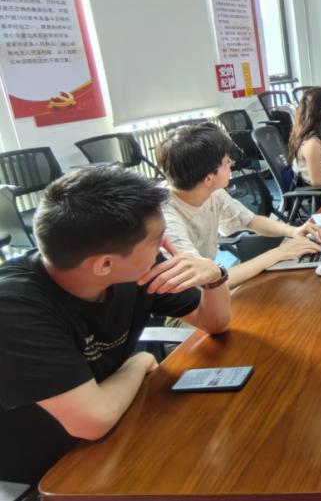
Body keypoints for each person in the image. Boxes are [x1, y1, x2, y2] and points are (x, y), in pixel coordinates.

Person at [0, 167, 232, 484]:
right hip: (49, 462)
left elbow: (214, 323)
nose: (165, 245)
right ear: (105, 264)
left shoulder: (134, 267)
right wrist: (138, 362)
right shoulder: (14, 307)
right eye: (156, 240)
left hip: (120, 421)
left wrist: (214, 278)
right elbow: (93, 422)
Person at [157, 122, 321, 288]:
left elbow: (250, 221)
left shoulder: (210, 191)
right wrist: (280, 253)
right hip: (184, 296)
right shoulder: (165, 220)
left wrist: (294, 231)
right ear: (208, 178)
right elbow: (207, 281)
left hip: (208, 285)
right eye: (226, 161)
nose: (231, 163)